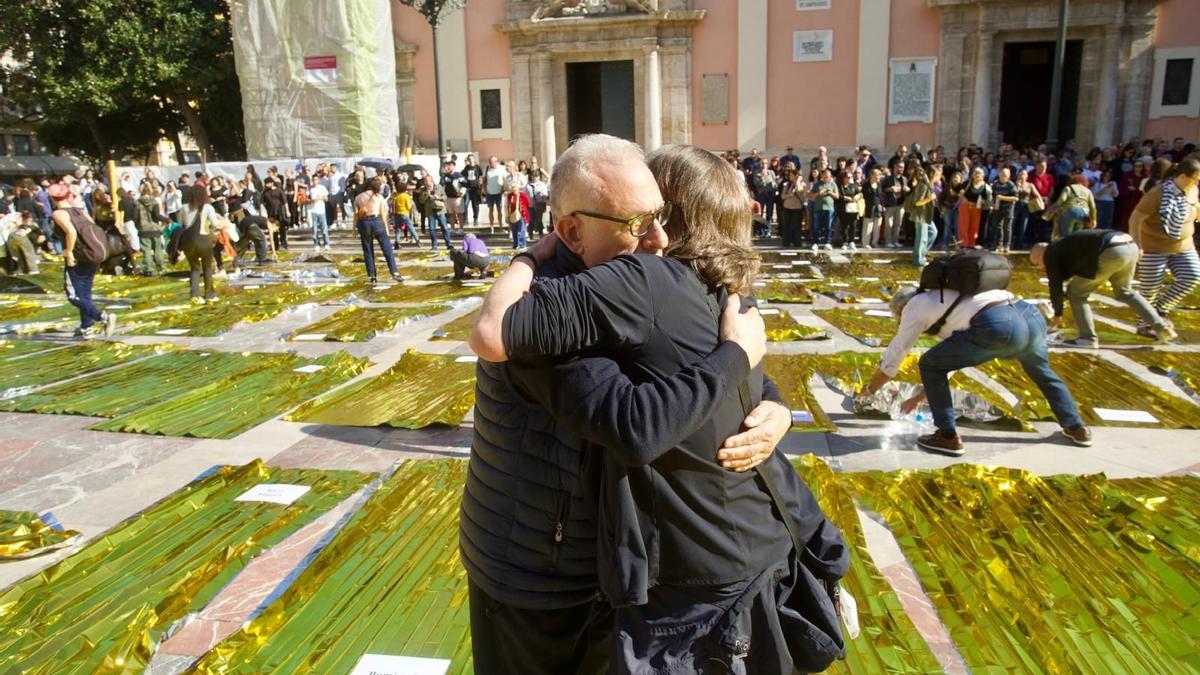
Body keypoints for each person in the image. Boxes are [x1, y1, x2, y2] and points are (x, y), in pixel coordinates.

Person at [458, 135, 798, 675]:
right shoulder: (550, 310)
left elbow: (682, 358)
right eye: (637, 224)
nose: (660, 241)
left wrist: (770, 406)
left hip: (603, 564)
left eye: (661, 217)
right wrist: (734, 357)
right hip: (535, 570)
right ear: (571, 230)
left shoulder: (621, 287)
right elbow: (635, 424)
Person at [857, 282, 1092, 456]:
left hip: (998, 325)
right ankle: (1076, 427)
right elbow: (950, 360)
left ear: (902, 309)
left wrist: (868, 390)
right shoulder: (944, 296)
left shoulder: (914, 307)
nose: (900, 322)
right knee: (1044, 374)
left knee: (928, 362)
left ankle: (947, 436)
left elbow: (894, 356)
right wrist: (920, 398)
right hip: (1030, 317)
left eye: (898, 318)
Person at [1031, 231, 1174, 349]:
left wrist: (1057, 316)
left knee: (1077, 294)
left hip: (1111, 250)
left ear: (1040, 255)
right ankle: (1161, 328)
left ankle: (1088, 339)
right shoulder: (1063, 246)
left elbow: (1055, 287)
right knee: (1125, 292)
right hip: (1129, 246)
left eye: (1037, 264)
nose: (1041, 269)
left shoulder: (1051, 254)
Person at [1129, 158, 1200, 338]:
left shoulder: (1192, 190)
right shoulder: (1158, 192)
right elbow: (1135, 218)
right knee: (1150, 289)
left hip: (1183, 246)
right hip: (1154, 247)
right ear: (1182, 176)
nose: (1197, 182)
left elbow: (1194, 206)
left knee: (1192, 276)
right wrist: (1137, 244)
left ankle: (1161, 309)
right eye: (1195, 179)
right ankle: (1144, 324)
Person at [48, 183, 117, 337]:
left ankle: (102, 317)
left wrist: (68, 251)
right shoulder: (80, 211)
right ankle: (87, 326)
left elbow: (71, 232)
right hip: (92, 254)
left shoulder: (59, 213)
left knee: (73, 295)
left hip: (77, 257)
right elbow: (93, 229)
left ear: (52, 198)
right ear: (68, 195)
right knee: (84, 292)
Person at [354, 178, 402, 283]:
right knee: (387, 248)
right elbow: (383, 214)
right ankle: (394, 272)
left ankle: (372, 276)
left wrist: (354, 229)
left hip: (364, 223)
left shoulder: (358, 197)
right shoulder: (378, 197)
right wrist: (386, 228)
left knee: (368, 250)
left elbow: (356, 215)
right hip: (376, 221)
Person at [907, 165, 937, 266]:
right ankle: (918, 259)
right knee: (921, 238)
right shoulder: (923, 186)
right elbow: (917, 202)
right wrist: (929, 199)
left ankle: (921, 252)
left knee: (933, 232)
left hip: (926, 215)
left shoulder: (928, 185)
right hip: (920, 215)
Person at [1051, 175, 1097, 239]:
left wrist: (1054, 210)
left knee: (1065, 235)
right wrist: (1094, 219)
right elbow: (1093, 207)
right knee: (1077, 236)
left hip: (1069, 211)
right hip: (1083, 214)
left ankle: (1065, 247)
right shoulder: (1088, 191)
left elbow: (1062, 200)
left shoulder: (1068, 188)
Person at [135, 184, 166, 276]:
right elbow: (157, 216)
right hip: (154, 229)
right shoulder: (154, 202)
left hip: (144, 229)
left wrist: (138, 226)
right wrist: (166, 220)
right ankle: (161, 267)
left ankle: (149, 268)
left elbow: (135, 217)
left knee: (146, 250)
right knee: (158, 249)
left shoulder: (136, 203)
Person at [959, 167, 991, 248]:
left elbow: (987, 198)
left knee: (974, 226)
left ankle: (971, 244)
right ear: (973, 175)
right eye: (976, 173)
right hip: (966, 206)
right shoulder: (968, 183)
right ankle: (963, 244)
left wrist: (983, 202)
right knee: (963, 225)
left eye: (979, 174)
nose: (977, 175)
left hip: (977, 208)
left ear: (983, 176)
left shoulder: (985, 186)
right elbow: (959, 191)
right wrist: (963, 197)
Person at [990, 168, 1019, 253]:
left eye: (1005, 176)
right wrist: (992, 203)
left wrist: (1002, 197)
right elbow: (992, 195)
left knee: (1007, 227)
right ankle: (999, 244)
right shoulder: (995, 184)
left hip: (1008, 207)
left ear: (1008, 176)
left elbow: (1016, 198)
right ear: (999, 175)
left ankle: (1007, 245)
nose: (1003, 177)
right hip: (997, 207)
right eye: (1002, 175)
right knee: (998, 226)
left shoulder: (1011, 185)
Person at [808, 168, 838, 251]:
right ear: (822, 176)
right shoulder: (817, 184)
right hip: (818, 208)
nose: (826, 178)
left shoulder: (833, 184)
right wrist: (819, 193)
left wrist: (830, 192)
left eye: (827, 177)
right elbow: (811, 195)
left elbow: (837, 196)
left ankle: (827, 242)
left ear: (830, 177)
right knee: (816, 226)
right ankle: (815, 243)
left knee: (828, 226)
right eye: (825, 176)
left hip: (829, 208)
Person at [880, 161, 908, 248]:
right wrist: (890, 189)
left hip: (900, 204)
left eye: (902, 167)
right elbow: (881, 190)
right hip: (890, 204)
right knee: (889, 224)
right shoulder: (887, 179)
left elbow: (907, 191)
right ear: (895, 168)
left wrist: (907, 189)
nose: (901, 169)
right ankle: (888, 241)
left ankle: (895, 241)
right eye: (899, 167)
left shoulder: (904, 179)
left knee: (898, 224)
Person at [423, 174, 453, 251]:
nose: (426, 182)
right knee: (432, 229)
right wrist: (426, 195)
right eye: (425, 181)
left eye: (427, 181)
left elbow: (445, 197)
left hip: (440, 210)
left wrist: (438, 197)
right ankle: (434, 245)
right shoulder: (424, 190)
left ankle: (448, 244)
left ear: (431, 180)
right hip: (430, 211)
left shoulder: (438, 187)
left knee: (444, 227)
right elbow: (421, 201)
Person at [778, 168, 807, 248]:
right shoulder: (786, 184)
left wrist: (797, 180)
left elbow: (799, 190)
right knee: (786, 225)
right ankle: (786, 242)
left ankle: (797, 242)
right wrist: (789, 195)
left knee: (797, 226)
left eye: (791, 175)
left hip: (797, 208)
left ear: (795, 176)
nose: (789, 176)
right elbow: (782, 196)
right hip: (787, 207)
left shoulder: (802, 184)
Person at [836, 169, 861, 251]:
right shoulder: (839, 186)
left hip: (853, 209)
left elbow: (860, 193)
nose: (850, 178)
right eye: (848, 177)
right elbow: (837, 196)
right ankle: (845, 242)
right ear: (843, 178)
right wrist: (844, 197)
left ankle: (851, 241)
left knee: (853, 225)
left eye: (851, 177)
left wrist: (856, 197)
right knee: (844, 226)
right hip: (843, 208)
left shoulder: (853, 186)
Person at [441, 159, 466, 232]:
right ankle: (452, 228)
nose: (449, 167)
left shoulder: (458, 175)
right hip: (449, 197)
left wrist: (461, 193)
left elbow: (464, 184)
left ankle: (461, 228)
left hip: (457, 198)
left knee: (459, 213)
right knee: (451, 214)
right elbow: (443, 186)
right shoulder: (445, 176)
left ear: (454, 166)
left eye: (450, 165)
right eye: (448, 165)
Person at [392, 182, 418, 246]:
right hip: (404, 213)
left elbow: (394, 206)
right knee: (411, 227)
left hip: (397, 214)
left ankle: (397, 242)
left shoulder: (396, 197)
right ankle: (417, 240)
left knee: (398, 229)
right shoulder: (406, 196)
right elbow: (409, 206)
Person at [484, 156, 507, 228]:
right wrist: (484, 189)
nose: (491, 163)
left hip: (499, 192)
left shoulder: (501, 168)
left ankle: (500, 225)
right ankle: (491, 226)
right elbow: (484, 180)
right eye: (490, 162)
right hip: (490, 193)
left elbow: (505, 179)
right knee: (490, 209)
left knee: (499, 209)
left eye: (493, 162)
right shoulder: (487, 168)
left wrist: (503, 188)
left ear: (496, 162)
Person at [462, 154, 484, 227]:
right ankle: (465, 220)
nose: (470, 160)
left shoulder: (477, 167)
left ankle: (475, 219)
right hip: (468, 189)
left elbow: (481, 176)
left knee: (475, 205)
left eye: (472, 158)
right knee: (465, 204)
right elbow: (462, 176)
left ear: (474, 159)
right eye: (469, 159)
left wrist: (480, 185)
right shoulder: (466, 168)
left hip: (475, 188)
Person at [308, 179, 330, 251]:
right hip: (313, 210)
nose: (315, 181)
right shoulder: (311, 189)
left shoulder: (322, 188)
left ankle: (326, 243)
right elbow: (308, 200)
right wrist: (313, 200)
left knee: (324, 229)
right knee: (314, 229)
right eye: (314, 180)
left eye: (316, 180)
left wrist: (322, 197)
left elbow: (327, 198)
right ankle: (316, 244)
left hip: (321, 211)